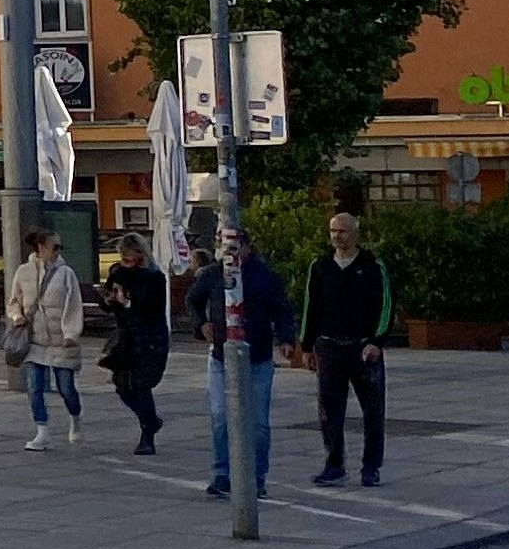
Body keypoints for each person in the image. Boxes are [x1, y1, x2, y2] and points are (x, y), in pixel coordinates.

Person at [189, 211, 292, 502]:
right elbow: (193, 300)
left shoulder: (263, 275)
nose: (226, 250)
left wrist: (285, 339)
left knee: (258, 421)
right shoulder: (211, 273)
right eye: (221, 243)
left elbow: (281, 308)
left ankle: (257, 476)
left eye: (232, 244)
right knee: (221, 416)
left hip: (257, 356)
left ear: (245, 246)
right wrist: (201, 323)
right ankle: (223, 473)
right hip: (222, 356)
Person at [303, 211, 393, 488]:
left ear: (355, 233)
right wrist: (306, 345)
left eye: (342, 231)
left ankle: (371, 467)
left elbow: (386, 305)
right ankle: (334, 464)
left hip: (362, 347)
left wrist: (376, 341)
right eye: (333, 231)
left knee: (373, 410)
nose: (337, 237)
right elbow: (311, 307)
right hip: (330, 346)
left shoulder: (372, 265)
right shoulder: (320, 267)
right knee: (330, 410)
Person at [97, 231, 172, 456]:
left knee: (141, 385)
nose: (125, 258)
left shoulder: (154, 277)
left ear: (140, 253)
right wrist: (109, 299)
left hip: (149, 339)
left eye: (130, 253)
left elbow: (150, 307)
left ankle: (147, 434)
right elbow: (107, 301)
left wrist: (127, 301)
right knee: (122, 386)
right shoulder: (118, 272)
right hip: (125, 339)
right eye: (123, 253)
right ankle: (150, 420)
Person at [13, 230, 87, 451]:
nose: (57, 251)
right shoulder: (23, 272)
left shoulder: (66, 274)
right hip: (34, 341)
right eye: (54, 246)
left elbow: (74, 305)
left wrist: (71, 335)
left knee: (66, 389)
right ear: (40, 248)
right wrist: (17, 316)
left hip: (61, 342)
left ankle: (75, 417)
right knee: (34, 387)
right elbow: (14, 300)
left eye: (58, 247)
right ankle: (41, 432)